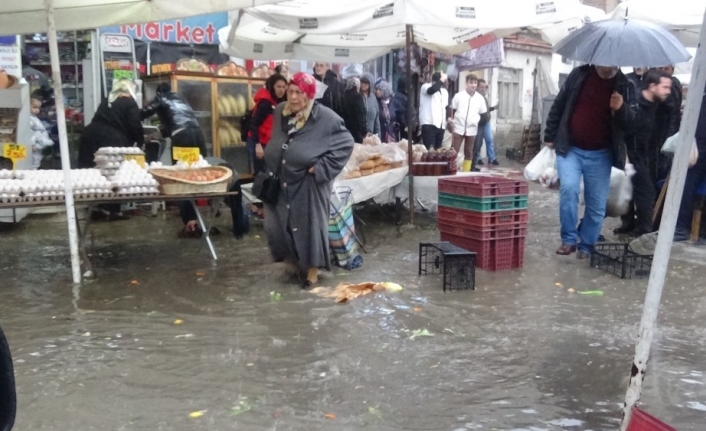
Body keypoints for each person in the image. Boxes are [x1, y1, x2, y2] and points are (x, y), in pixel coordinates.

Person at [263, 72, 354, 287]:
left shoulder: (325, 117)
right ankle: (293, 265)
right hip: (281, 180)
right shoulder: (280, 112)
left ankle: (311, 274)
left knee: (308, 227)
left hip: (308, 184)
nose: (293, 97)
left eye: (298, 93)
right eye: (290, 91)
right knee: (278, 226)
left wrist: (322, 168)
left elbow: (346, 143)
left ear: (309, 95)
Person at [544, 64, 638, 258]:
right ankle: (569, 239)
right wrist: (550, 134)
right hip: (570, 148)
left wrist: (621, 108)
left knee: (596, 205)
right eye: (602, 63)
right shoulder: (579, 75)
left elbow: (633, 124)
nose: (606, 68)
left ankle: (586, 245)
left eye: (610, 64)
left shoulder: (624, 84)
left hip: (601, 154)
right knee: (569, 189)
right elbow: (559, 105)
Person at [141, 83, 207, 235]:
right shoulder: (181, 99)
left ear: (158, 93)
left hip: (183, 139)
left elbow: (145, 112)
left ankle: (189, 222)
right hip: (198, 135)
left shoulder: (162, 98)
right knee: (198, 174)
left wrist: (131, 113)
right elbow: (170, 126)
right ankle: (202, 217)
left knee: (181, 178)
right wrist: (152, 136)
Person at [616, 69, 672, 238]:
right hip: (632, 153)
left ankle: (634, 226)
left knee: (639, 191)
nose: (668, 91)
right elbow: (625, 128)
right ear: (652, 86)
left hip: (650, 153)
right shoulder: (635, 105)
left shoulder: (659, 105)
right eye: (665, 87)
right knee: (642, 192)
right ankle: (640, 228)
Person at [79, 79, 144, 221]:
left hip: (90, 134)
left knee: (93, 172)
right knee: (114, 174)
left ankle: (95, 207)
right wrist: (140, 142)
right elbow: (134, 125)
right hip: (111, 139)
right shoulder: (129, 102)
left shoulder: (107, 100)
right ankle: (112, 210)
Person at [674, 87, 706, 242]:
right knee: (687, 184)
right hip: (699, 145)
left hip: (699, 143)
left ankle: (682, 228)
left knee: (688, 184)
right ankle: (682, 227)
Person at [248, 74, 287, 173]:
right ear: (272, 87)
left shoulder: (280, 102)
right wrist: (258, 145)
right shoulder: (265, 104)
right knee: (262, 174)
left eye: (283, 87)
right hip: (259, 142)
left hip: (269, 142)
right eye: (278, 87)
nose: (281, 90)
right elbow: (253, 124)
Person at [650, 65, 683, 182]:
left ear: (672, 70)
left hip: (663, 134)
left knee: (660, 170)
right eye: (660, 68)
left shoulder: (671, 86)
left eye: (666, 69)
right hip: (656, 133)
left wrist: (669, 137)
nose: (663, 71)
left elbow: (673, 114)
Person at [449, 75, 487, 172]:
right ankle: (451, 169)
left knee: (469, 152)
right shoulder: (459, 96)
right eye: (471, 83)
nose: (473, 85)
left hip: (472, 129)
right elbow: (451, 110)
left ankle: (466, 171)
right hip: (458, 127)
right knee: (454, 150)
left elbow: (484, 115)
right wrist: (451, 121)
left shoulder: (480, 99)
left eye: (475, 83)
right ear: (466, 84)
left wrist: (476, 122)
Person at [419, 72, 449, 150]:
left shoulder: (444, 92)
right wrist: (442, 79)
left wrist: (448, 120)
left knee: (438, 151)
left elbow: (445, 107)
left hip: (441, 125)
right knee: (430, 151)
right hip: (429, 123)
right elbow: (431, 90)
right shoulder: (425, 87)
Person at [473, 79, 499, 166]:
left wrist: (493, 108)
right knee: (478, 142)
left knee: (489, 140)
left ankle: (492, 158)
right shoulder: (475, 98)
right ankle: (478, 158)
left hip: (486, 122)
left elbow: (486, 110)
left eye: (484, 87)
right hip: (479, 123)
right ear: (477, 88)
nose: (483, 89)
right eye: (481, 87)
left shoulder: (484, 97)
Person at [29, 95, 54, 169]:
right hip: (34, 145)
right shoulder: (29, 118)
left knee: (37, 159)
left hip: (38, 144)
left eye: (38, 108)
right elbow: (30, 132)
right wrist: (32, 144)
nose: (37, 110)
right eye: (34, 107)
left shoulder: (33, 117)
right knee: (34, 161)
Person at [340, 77, 368, 143]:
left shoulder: (342, 96)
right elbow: (361, 114)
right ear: (356, 86)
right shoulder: (357, 97)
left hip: (344, 130)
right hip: (356, 131)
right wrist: (364, 131)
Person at [360, 73, 381, 138]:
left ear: (370, 84)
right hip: (359, 136)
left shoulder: (373, 98)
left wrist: (378, 136)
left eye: (366, 83)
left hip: (371, 136)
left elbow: (376, 119)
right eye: (362, 82)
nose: (363, 85)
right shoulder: (357, 97)